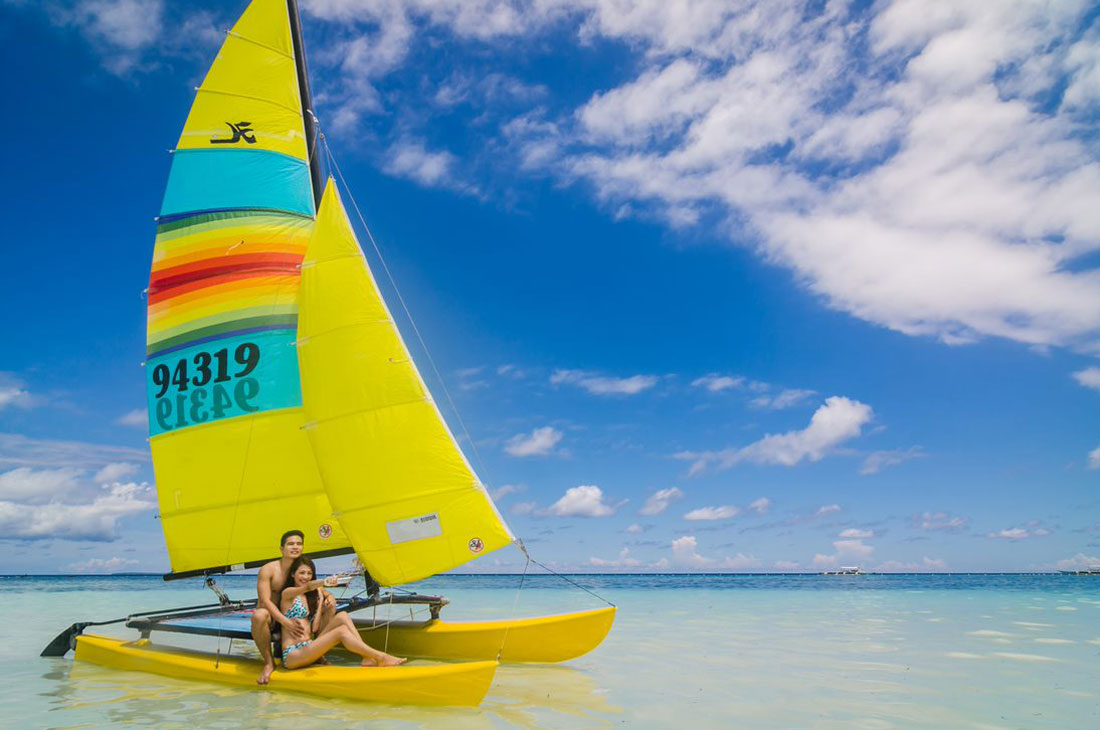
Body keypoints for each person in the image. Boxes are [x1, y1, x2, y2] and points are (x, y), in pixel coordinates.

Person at [279, 556, 406, 669]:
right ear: (292, 574)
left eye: (309, 573)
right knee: (341, 632)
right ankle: (380, 657)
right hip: (293, 654)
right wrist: (324, 582)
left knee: (342, 616)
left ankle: (366, 656)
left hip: (308, 646)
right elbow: (307, 586)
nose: (306, 577)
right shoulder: (287, 593)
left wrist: (323, 597)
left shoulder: (307, 596)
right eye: (302, 573)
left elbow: (314, 629)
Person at [251, 529, 309, 685]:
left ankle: (317, 655)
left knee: (326, 604)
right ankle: (269, 663)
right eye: (291, 544)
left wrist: (328, 596)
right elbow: (265, 601)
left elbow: (312, 587)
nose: (295, 547)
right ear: (282, 549)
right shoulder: (268, 570)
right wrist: (285, 622)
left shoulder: (302, 567)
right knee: (259, 615)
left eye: (299, 544)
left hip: (291, 617)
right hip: (273, 620)